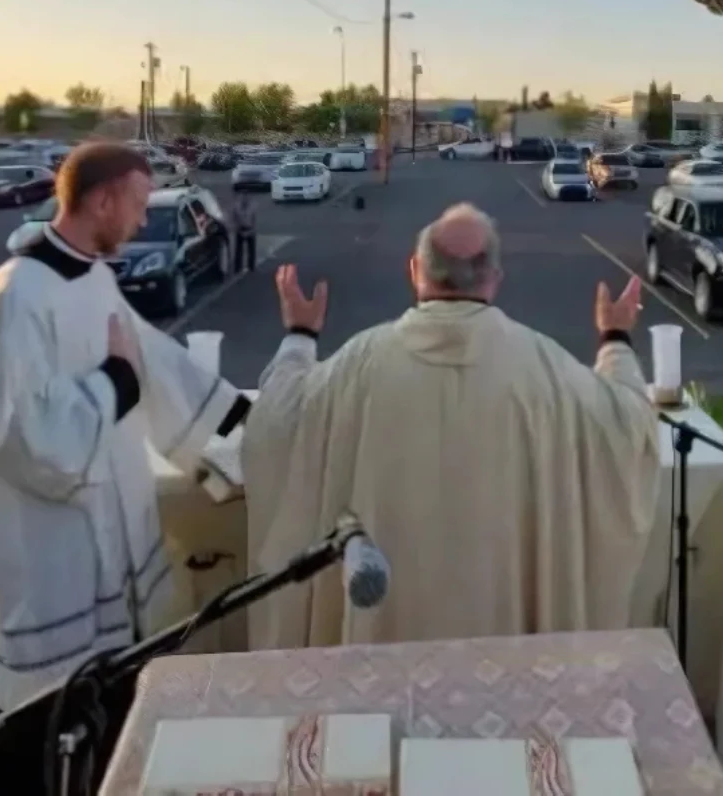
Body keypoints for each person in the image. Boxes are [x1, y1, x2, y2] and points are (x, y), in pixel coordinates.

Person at [0, 143, 242, 796]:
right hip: (50, 554)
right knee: (37, 714)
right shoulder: (18, 297)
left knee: (101, 701)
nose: (143, 220)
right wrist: (113, 383)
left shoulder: (92, 276)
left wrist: (243, 424)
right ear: (102, 200)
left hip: (108, 540)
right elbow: (15, 438)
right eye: (138, 204)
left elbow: (156, 362)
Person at [240, 202, 659, 649]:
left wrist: (300, 336)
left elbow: (275, 423)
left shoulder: (360, 363)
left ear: (415, 270)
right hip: (506, 643)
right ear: (495, 278)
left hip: (383, 640)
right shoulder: (544, 365)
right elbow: (627, 424)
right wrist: (615, 340)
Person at [232, 189, 258, 273]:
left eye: (246, 197)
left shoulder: (253, 206)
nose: (244, 199)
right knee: (238, 250)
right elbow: (234, 218)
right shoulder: (236, 206)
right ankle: (237, 267)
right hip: (240, 228)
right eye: (243, 197)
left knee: (251, 250)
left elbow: (254, 220)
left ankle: (251, 267)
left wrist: (251, 231)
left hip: (250, 228)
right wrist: (238, 229)